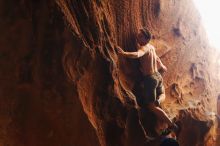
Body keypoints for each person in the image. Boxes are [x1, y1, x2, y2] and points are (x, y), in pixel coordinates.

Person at [117, 28, 177, 133]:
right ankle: (159, 100)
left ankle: (171, 125)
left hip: (150, 80)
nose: (137, 37)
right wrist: (162, 66)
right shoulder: (151, 47)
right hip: (158, 76)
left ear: (146, 39)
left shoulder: (144, 48)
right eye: (138, 35)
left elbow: (137, 55)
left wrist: (123, 53)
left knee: (152, 107)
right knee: (162, 93)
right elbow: (157, 59)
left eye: (140, 36)